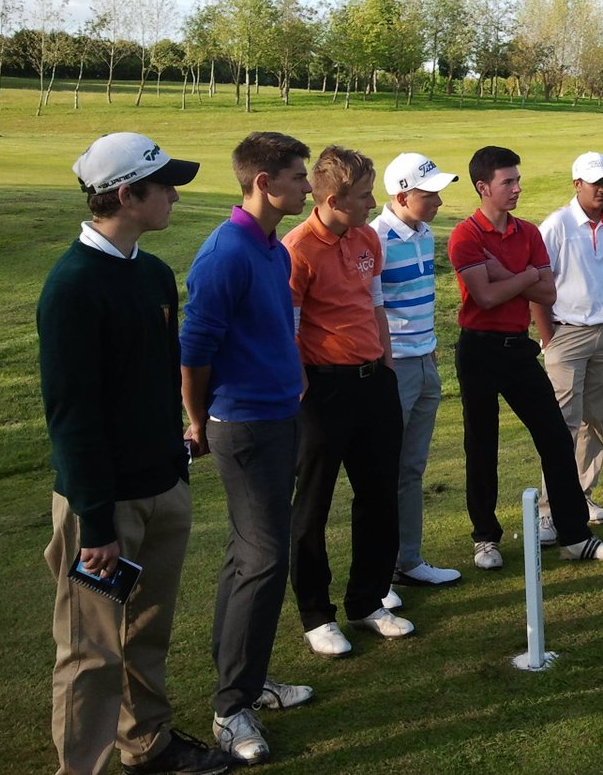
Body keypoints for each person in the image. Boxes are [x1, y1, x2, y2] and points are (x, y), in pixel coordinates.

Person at [38, 132, 230, 775]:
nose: (175, 194)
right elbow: (73, 417)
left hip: (162, 487)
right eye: (165, 184)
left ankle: (147, 745)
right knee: (91, 652)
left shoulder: (150, 272)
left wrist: (176, 456)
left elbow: (153, 381)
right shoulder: (71, 287)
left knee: (146, 636)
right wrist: (95, 522)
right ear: (126, 195)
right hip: (105, 507)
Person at [180, 132, 315, 765]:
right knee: (264, 559)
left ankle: (247, 683)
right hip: (243, 426)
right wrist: (197, 418)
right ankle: (231, 707)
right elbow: (195, 348)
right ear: (265, 183)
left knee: (247, 556)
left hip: (280, 415)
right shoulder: (225, 252)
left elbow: (274, 327)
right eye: (297, 175)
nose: (308, 185)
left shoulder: (269, 248)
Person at [447, 145, 603, 569]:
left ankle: (574, 536)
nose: (516, 188)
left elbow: (548, 293)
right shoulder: (465, 235)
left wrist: (514, 275)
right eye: (507, 182)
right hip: (478, 348)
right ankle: (485, 539)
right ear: (483, 187)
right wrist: (527, 277)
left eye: (517, 180)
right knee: (482, 442)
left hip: (517, 348)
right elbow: (485, 297)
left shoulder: (528, 232)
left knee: (553, 435)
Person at [284, 146, 415, 661]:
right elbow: (289, 332)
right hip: (321, 389)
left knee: (380, 495)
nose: (372, 203)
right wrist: (305, 393)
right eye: (364, 196)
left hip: (373, 381)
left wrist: (384, 363)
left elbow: (374, 305)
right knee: (313, 503)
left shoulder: (366, 238)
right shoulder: (297, 249)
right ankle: (317, 614)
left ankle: (367, 600)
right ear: (334, 199)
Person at [531, 151, 603, 542]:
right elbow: (539, 286)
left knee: (596, 421)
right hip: (566, 333)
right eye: (595, 181)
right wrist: (549, 338)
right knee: (560, 425)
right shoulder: (557, 226)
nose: (602, 188)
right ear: (576, 184)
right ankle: (548, 511)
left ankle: (580, 497)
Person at [373, 152, 463, 588]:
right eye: (430, 195)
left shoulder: (425, 233)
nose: (439, 202)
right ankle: (380, 575)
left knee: (412, 468)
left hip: (426, 360)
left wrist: (429, 355)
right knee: (385, 470)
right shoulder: (374, 239)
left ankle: (407, 560)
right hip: (393, 367)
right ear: (402, 195)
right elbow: (369, 310)